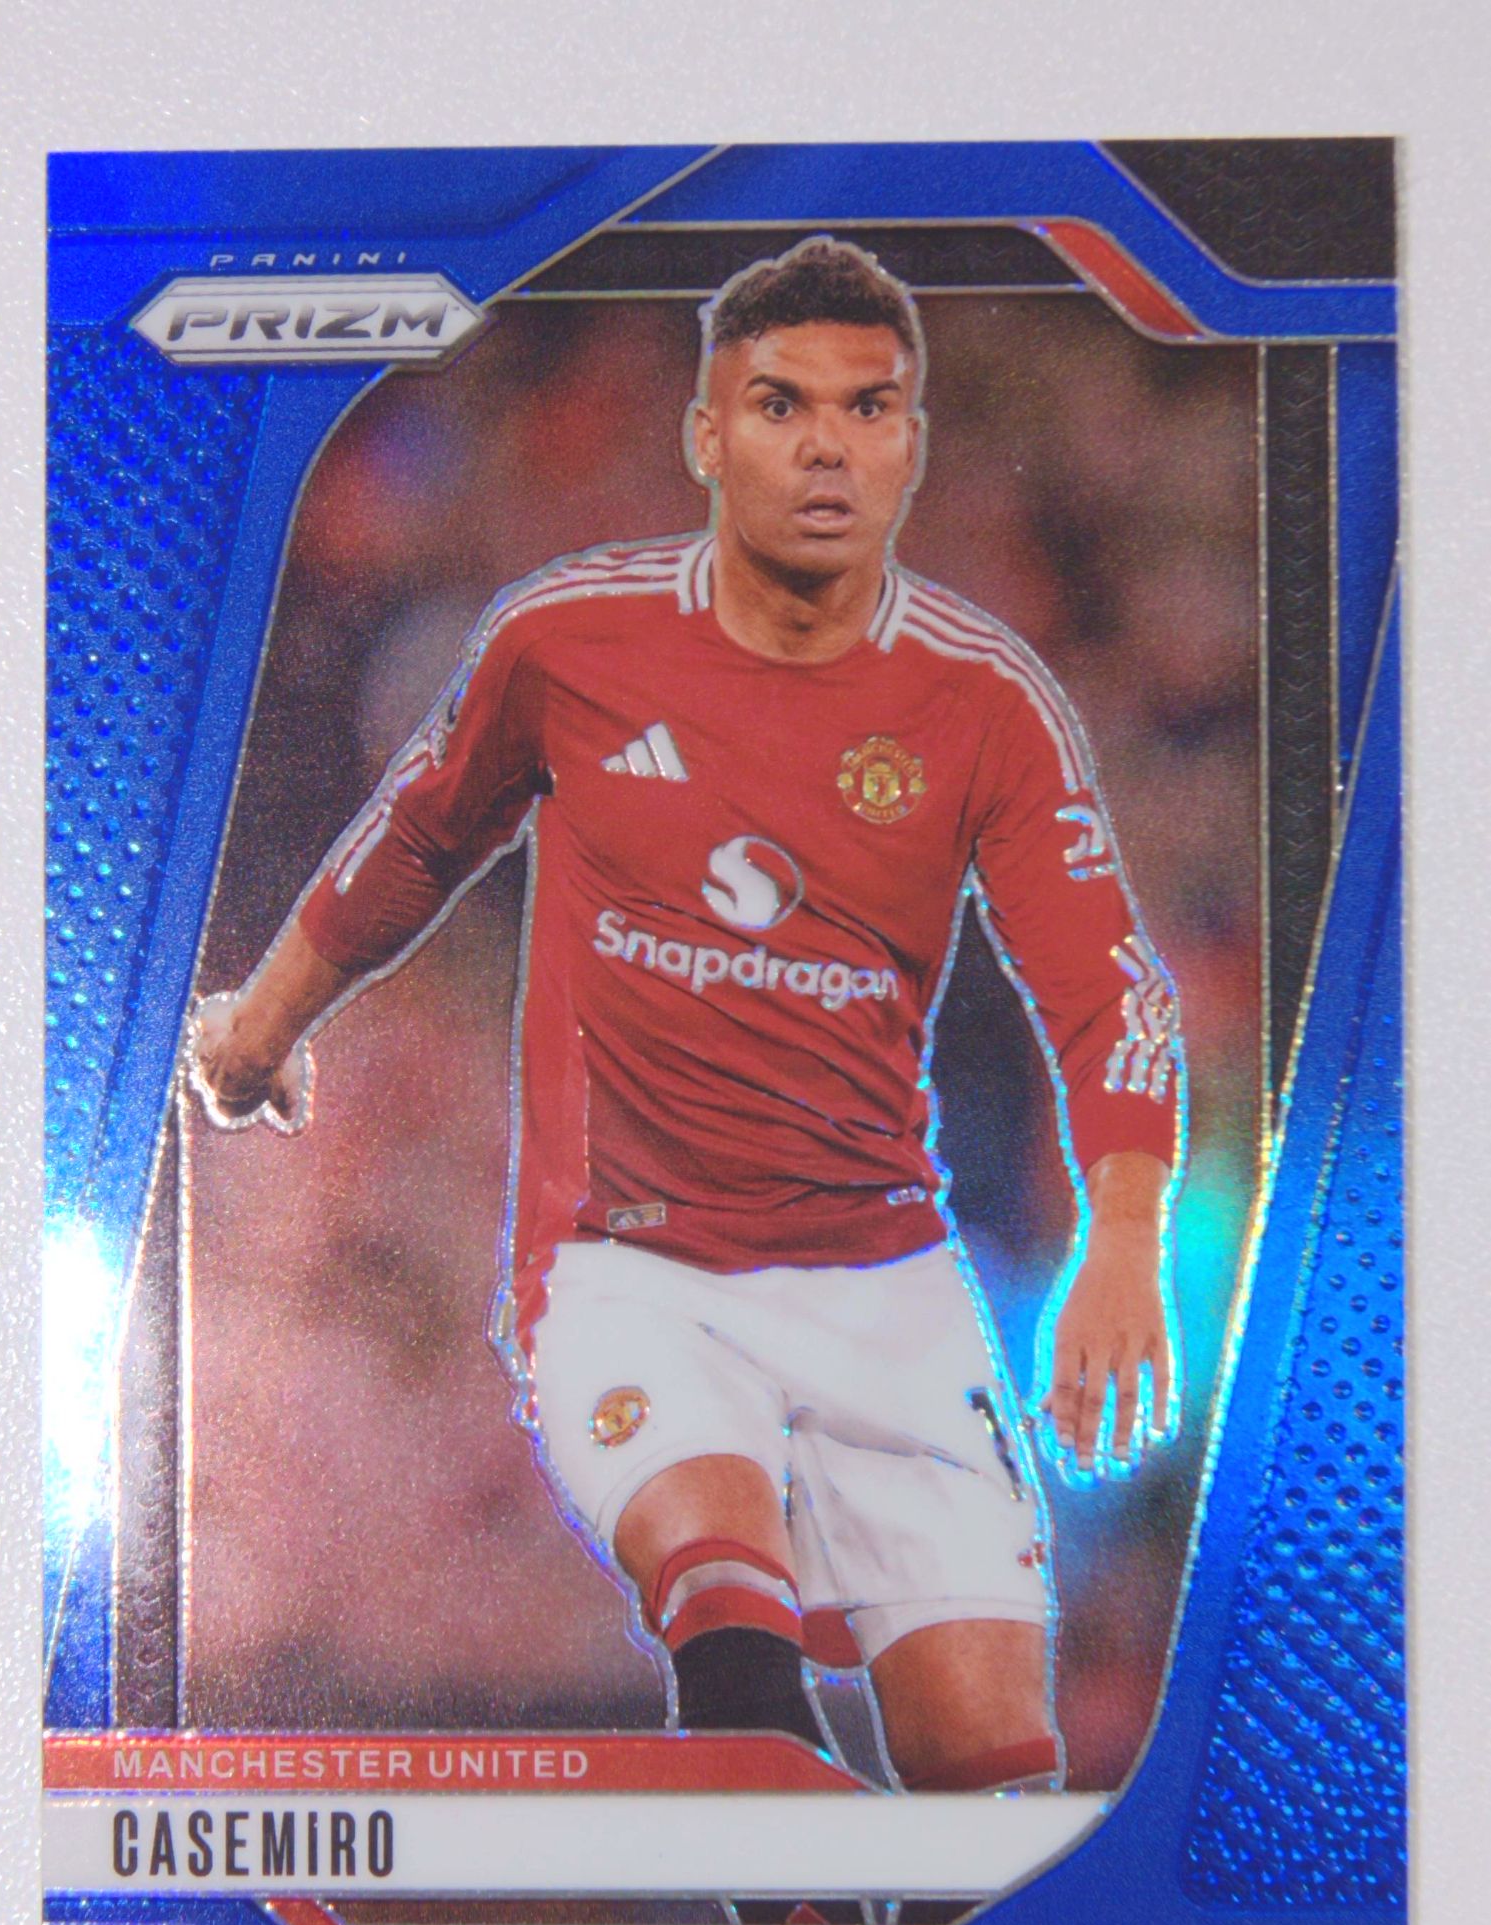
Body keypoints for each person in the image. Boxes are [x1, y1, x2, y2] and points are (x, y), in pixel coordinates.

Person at [193, 238, 1182, 1794]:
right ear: (710, 436)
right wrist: (261, 1028)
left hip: (872, 1265)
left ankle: (851, 1839)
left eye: (866, 409)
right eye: (781, 406)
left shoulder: (982, 701)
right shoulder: (563, 646)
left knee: (985, 1751)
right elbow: (412, 841)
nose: (823, 447)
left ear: (909, 445)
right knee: (716, 1555)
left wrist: (1121, 1233)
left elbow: (1105, 981)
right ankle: (746, 1736)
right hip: (628, 1253)